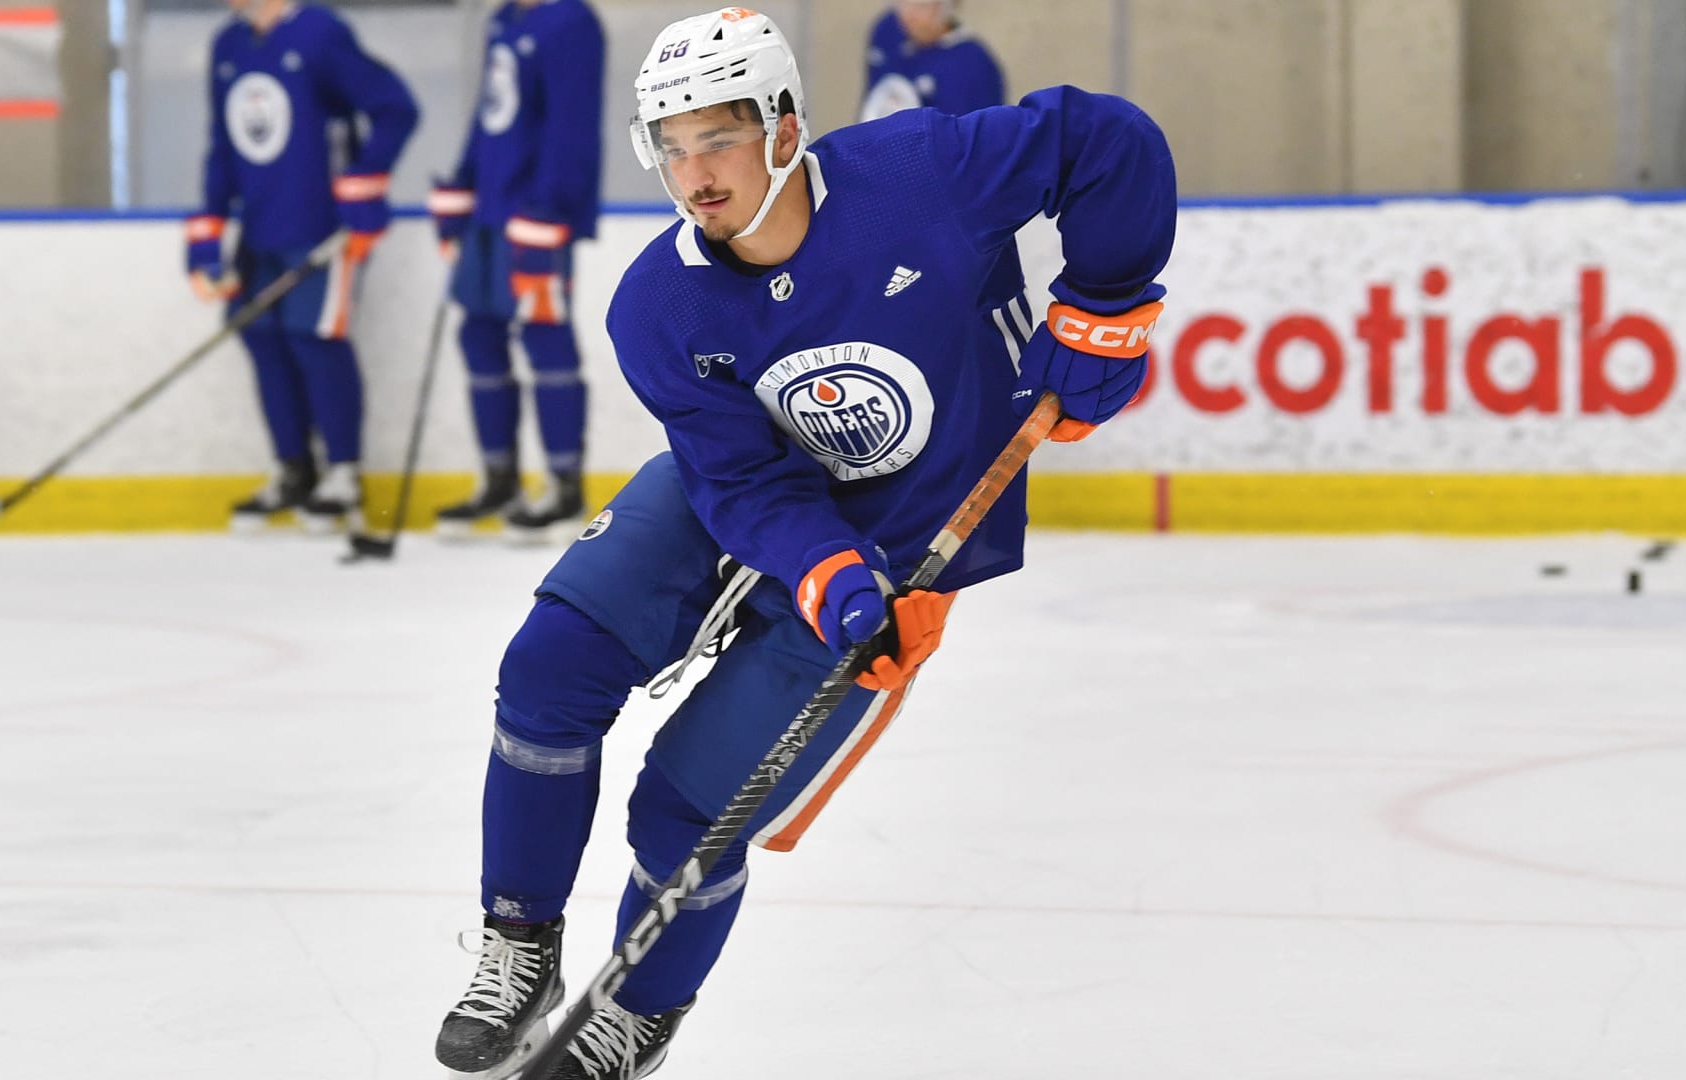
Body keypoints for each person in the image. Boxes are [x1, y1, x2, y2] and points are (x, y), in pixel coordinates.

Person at [433, 7, 1175, 1078]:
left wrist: (1107, 304)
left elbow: (1105, 140)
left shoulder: (920, 173)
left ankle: (637, 1010)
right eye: (671, 147)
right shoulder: (658, 304)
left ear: (784, 127)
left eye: (718, 139)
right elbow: (739, 477)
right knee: (549, 664)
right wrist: (819, 564)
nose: (694, 175)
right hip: (738, 497)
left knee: (688, 813)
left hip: (902, 539)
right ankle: (519, 940)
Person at [186, 0, 418, 533]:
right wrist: (209, 231)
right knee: (262, 338)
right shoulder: (228, 44)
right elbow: (223, 144)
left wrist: (364, 183)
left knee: (316, 339)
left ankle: (343, 474)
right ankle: (294, 469)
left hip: (320, 228)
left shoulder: (319, 32)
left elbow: (395, 107)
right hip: (258, 230)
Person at [427, 0, 606, 538]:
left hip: (535, 216)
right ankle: (500, 480)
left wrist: (550, 208)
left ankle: (564, 489)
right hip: (488, 210)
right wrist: (462, 182)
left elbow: (573, 129)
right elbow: (490, 114)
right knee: (478, 333)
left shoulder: (571, 22)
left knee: (544, 335)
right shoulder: (503, 20)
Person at [860, 0, 1005, 122]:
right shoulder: (888, 30)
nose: (908, 15)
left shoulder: (973, 66)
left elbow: (971, 142)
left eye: (921, 6)